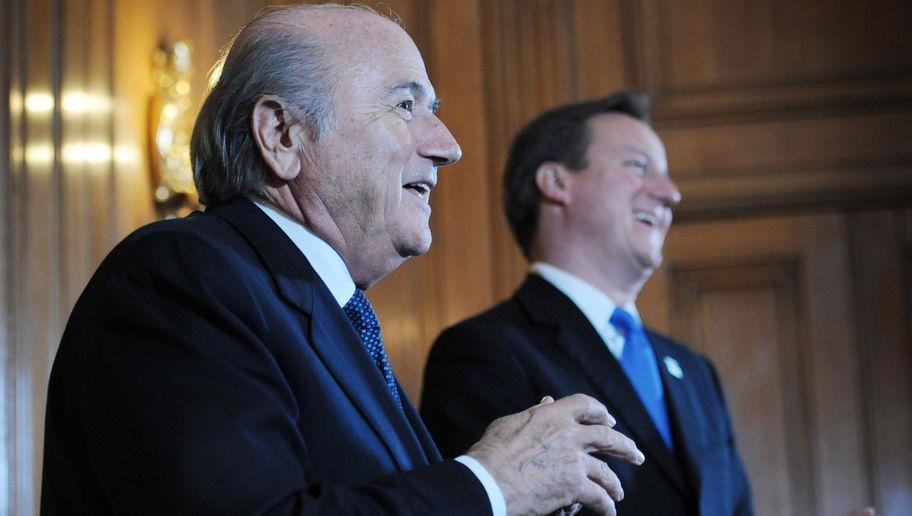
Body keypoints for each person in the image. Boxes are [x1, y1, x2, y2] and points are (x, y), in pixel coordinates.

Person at [40, 5, 645, 515]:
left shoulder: (331, 310)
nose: (448, 146)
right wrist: (490, 485)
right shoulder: (178, 277)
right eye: (406, 106)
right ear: (282, 135)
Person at [420, 92, 753, 515]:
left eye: (665, 175)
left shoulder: (694, 371)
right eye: (638, 166)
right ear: (557, 182)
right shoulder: (482, 352)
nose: (670, 194)